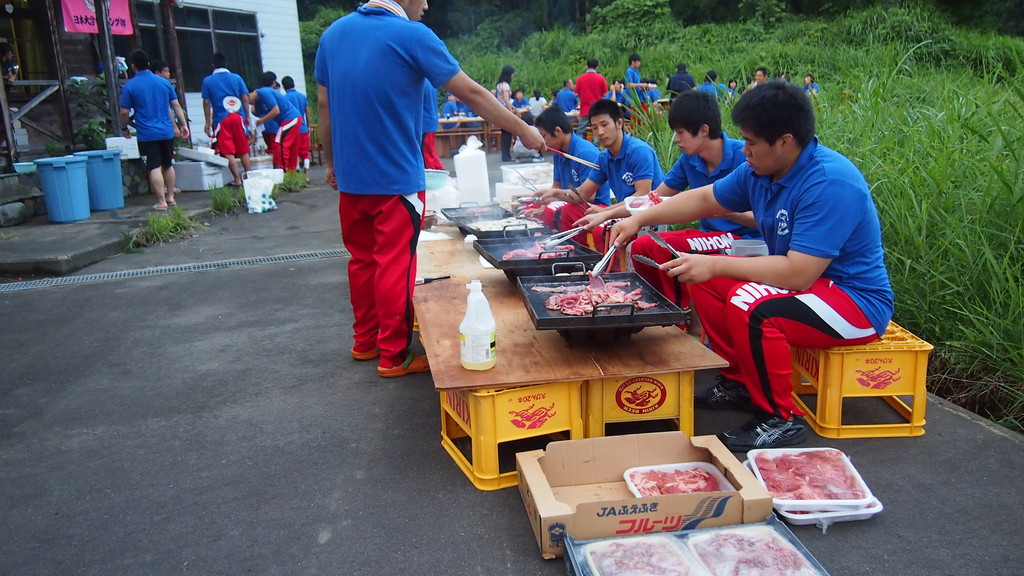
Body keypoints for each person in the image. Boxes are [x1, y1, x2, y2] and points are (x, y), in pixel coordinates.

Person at [602, 81, 894, 450]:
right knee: (707, 281)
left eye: (753, 142)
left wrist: (716, 266)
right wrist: (639, 219)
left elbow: (799, 273)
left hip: (854, 301)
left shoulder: (829, 182)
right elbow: (706, 198)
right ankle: (740, 381)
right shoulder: (760, 170)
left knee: (752, 305)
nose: (746, 150)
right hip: (809, 288)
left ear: (785, 141)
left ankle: (779, 418)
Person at [314, 0, 544, 378]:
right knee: (395, 263)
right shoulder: (412, 35)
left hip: (351, 180)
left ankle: (366, 341)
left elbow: (324, 103)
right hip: (394, 179)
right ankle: (394, 356)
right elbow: (470, 92)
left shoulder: (334, 34)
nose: (426, 5)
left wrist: (331, 161)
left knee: (362, 259)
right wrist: (523, 130)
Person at [580, 91, 759, 336]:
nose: (676, 139)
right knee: (643, 246)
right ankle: (662, 312)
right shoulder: (690, 160)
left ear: (704, 130)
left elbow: (761, 218)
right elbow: (654, 199)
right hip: (708, 236)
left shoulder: (745, 156)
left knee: (663, 247)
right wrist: (606, 214)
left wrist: (722, 210)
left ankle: (680, 320)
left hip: (743, 241)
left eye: (680, 132)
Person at [535, 99, 663, 251]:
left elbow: (642, 197)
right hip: (623, 213)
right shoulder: (604, 158)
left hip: (649, 219)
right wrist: (555, 193)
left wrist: (606, 212)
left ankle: (608, 265)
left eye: (604, 125)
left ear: (619, 124)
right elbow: (582, 193)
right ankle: (580, 254)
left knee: (600, 227)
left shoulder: (639, 151)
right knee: (569, 211)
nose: (600, 132)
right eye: (595, 127)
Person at [118, 49, 189, 211]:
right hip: (166, 131)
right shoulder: (163, 82)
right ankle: (171, 197)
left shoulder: (130, 86)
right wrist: (183, 124)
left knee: (154, 166)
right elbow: (175, 105)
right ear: (148, 64)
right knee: (168, 164)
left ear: (133, 66)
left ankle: (161, 201)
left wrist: (124, 127)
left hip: (147, 133)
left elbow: (123, 112)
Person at [524, 106, 609, 232]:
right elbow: (556, 186)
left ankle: (560, 245)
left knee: (556, 209)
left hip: (591, 206)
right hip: (570, 201)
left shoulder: (585, 153)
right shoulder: (558, 151)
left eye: (544, 136)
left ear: (557, 130)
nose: (543, 141)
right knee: (531, 204)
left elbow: (588, 197)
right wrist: (541, 205)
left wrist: (550, 200)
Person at [201, 53, 252, 187]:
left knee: (227, 150)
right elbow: (245, 98)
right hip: (237, 116)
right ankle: (250, 176)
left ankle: (237, 179)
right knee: (243, 149)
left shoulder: (208, 81)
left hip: (221, 119)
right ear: (226, 64)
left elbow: (206, 103)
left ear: (213, 65)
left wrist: (208, 122)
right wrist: (247, 116)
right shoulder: (236, 78)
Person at [248, 71, 302, 173]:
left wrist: (261, 121)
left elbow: (275, 110)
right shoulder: (258, 101)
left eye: (246, 100)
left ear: (248, 94)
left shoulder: (264, 92)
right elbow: (256, 119)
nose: (247, 103)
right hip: (288, 120)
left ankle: (283, 171)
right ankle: (291, 172)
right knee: (289, 146)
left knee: (279, 143)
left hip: (290, 118)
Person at [282, 75, 312, 181]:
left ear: (284, 86)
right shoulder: (302, 96)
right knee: (305, 153)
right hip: (303, 127)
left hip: (293, 128)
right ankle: (307, 175)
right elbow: (307, 112)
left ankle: (295, 174)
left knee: (294, 152)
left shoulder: (285, 98)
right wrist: (308, 125)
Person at [574, 58, 608, 138]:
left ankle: (578, 147)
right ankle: (596, 148)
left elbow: (575, 94)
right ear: (597, 68)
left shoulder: (580, 78)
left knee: (580, 131)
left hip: (585, 109)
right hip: (597, 109)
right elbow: (605, 94)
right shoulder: (601, 78)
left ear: (587, 67)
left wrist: (582, 95)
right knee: (597, 129)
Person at [496, 65, 516, 162]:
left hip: (500, 110)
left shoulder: (499, 85)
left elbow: (501, 100)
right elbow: (506, 100)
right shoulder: (506, 86)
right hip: (505, 111)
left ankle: (505, 155)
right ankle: (507, 156)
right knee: (508, 133)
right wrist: (511, 111)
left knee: (505, 133)